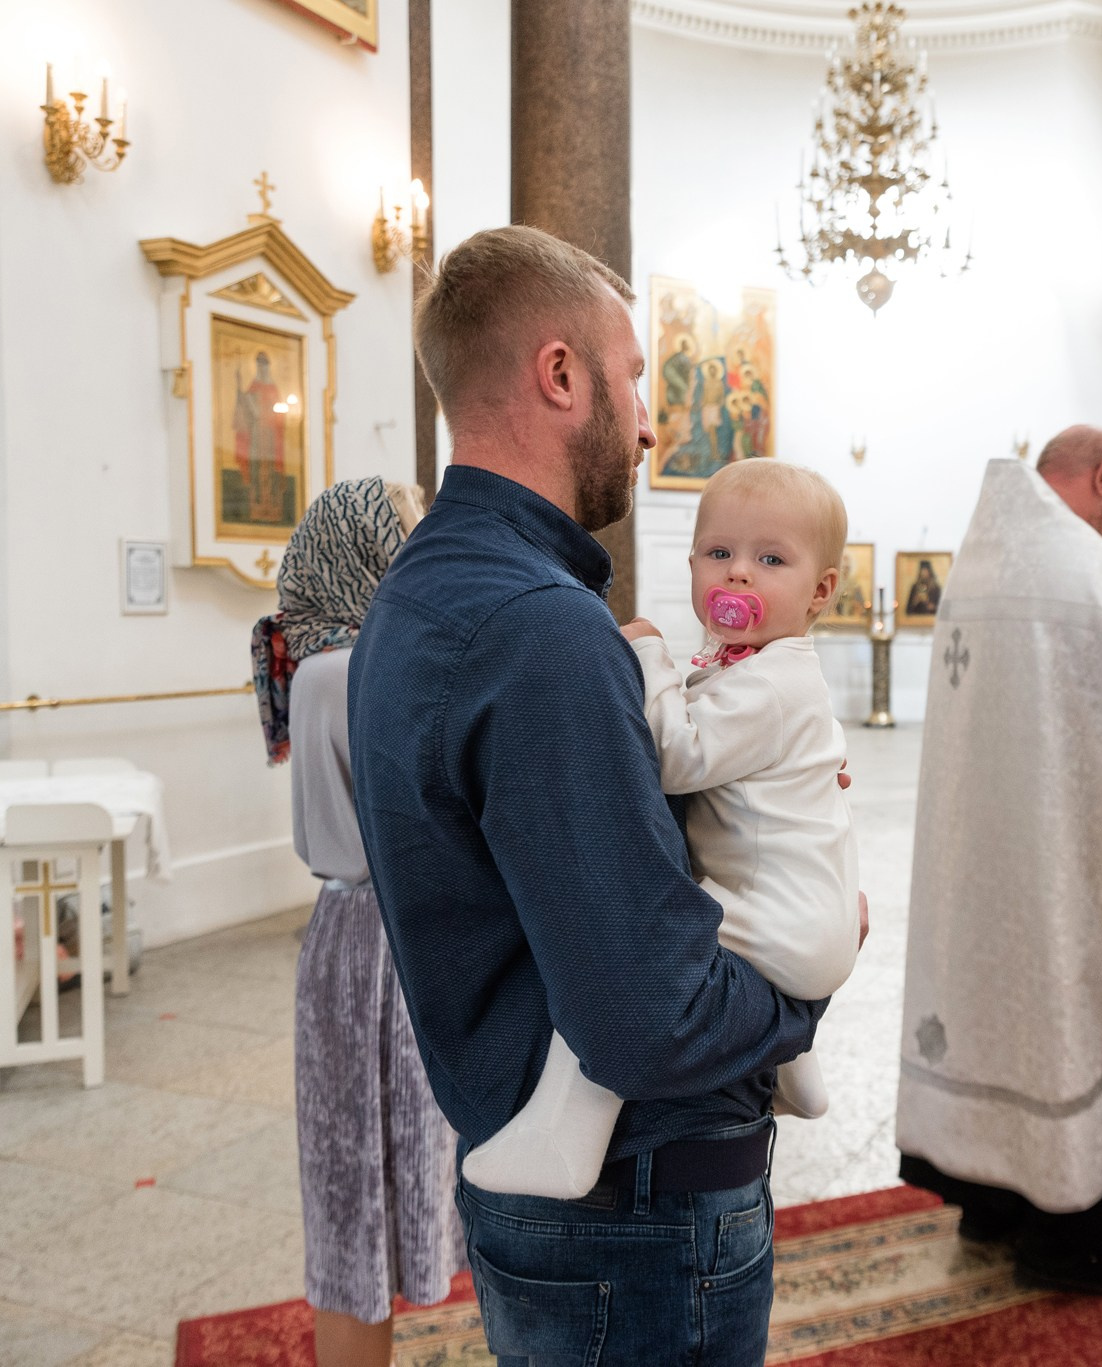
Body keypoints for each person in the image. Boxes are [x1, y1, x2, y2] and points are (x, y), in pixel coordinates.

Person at [348, 225, 832, 1365]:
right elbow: (647, 1018)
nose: (652, 419)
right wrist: (807, 990)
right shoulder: (539, 627)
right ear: (559, 375)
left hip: (551, 1169)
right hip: (638, 1205)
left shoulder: (423, 587)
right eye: (631, 378)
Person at [463, 457, 862, 1197]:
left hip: (786, 919)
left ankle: (563, 1142)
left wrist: (647, 650)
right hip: (805, 915)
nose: (738, 574)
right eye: (720, 553)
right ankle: (797, 1072)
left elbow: (679, 754)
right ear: (692, 563)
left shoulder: (775, 680)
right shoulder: (752, 667)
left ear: (822, 590)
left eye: (770, 559)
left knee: (624, 957)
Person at [896, 424, 1102, 1296]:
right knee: (1071, 1016)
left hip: (980, 861)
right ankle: (1074, 1239)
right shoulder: (1087, 568)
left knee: (990, 1006)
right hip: (1060, 858)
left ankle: (991, 1206)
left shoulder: (977, 563)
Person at [250, 475, 461, 1367]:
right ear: (367, 551)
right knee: (360, 1188)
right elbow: (413, 819)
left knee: (362, 1183)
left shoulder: (322, 660)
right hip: (384, 940)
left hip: (350, 933)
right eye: (407, 538)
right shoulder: (353, 667)